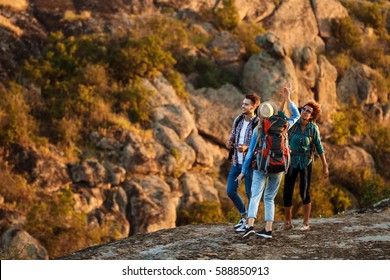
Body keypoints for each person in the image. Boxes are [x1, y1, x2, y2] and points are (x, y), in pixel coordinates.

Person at [236, 84, 299, 239]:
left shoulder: (260, 127)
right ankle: (268, 230)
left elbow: (250, 153)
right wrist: (288, 99)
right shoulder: (284, 125)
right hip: (278, 166)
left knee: (255, 195)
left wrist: (243, 172)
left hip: (261, 165)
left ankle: (250, 226)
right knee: (269, 197)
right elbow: (296, 115)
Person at [282, 100, 329, 231]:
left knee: (304, 191)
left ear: (312, 116)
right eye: (303, 109)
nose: (304, 112)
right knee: (287, 191)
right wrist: (287, 98)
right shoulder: (293, 124)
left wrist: (325, 165)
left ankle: (305, 223)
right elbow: (281, 118)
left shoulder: (313, 129)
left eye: (308, 111)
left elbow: (319, 147)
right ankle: (287, 222)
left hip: (306, 162)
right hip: (291, 162)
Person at [226, 93, 261, 233]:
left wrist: (247, 147)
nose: (243, 106)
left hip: (250, 165)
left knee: (249, 193)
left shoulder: (257, 123)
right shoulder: (238, 119)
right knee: (230, 191)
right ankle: (244, 216)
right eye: (243, 103)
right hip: (236, 162)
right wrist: (229, 141)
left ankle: (249, 223)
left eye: (246, 104)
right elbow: (233, 134)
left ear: (254, 107)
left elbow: (260, 145)